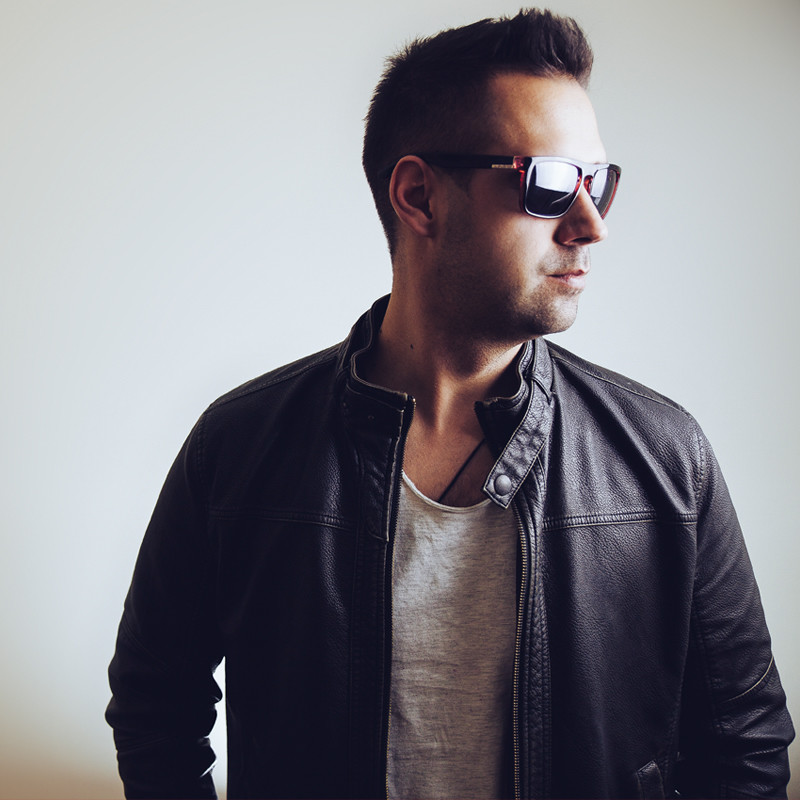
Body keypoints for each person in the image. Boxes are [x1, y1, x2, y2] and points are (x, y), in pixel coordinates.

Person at [106, 8, 794, 799]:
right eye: (548, 183)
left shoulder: (666, 459)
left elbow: (744, 745)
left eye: (597, 182)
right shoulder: (239, 449)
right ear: (419, 197)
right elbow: (156, 706)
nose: (590, 224)